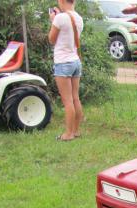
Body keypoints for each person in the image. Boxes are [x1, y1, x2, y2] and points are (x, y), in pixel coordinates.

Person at [48, 0, 84, 141]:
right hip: (75, 61)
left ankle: (68, 134)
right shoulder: (79, 18)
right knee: (75, 98)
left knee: (67, 101)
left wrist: (52, 20)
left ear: (62, 1)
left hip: (63, 62)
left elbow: (51, 39)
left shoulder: (60, 18)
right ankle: (75, 131)